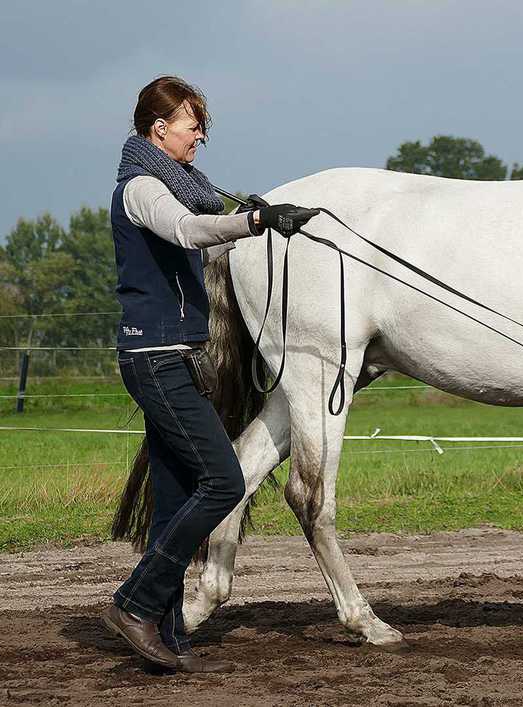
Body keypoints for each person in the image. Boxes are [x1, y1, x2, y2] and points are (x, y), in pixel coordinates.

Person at [102, 76, 319, 673]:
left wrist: (261, 224)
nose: (199, 135)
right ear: (159, 129)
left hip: (174, 356)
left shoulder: (176, 186)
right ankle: (135, 603)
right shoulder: (142, 188)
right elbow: (188, 231)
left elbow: (201, 247)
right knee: (223, 481)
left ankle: (167, 636)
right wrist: (253, 222)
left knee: (173, 498)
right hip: (154, 358)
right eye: (191, 124)